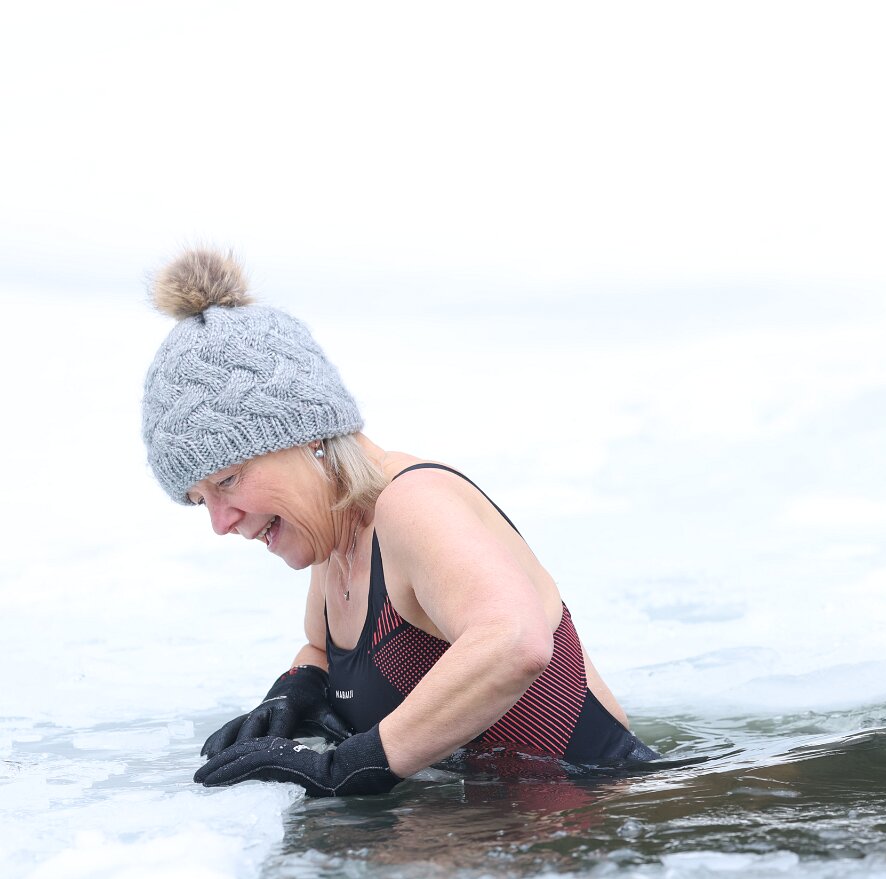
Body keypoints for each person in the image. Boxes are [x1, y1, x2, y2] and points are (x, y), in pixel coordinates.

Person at [141, 248, 657, 797]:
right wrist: (295, 689)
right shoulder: (335, 537)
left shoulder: (412, 503)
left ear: (305, 435)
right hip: (499, 827)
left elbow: (513, 640)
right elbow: (323, 651)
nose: (220, 523)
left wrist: (350, 766)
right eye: (199, 500)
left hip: (604, 819)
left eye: (226, 481)